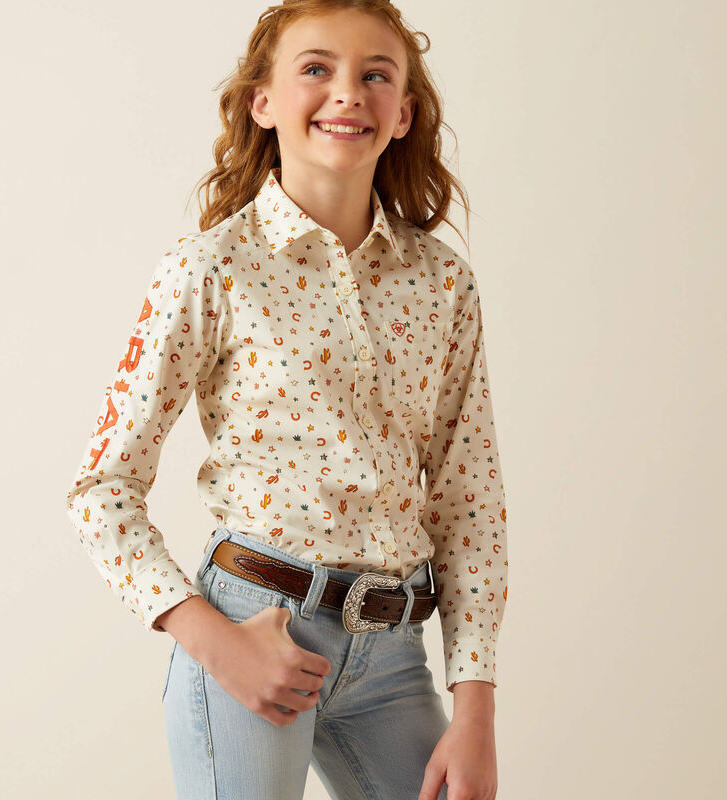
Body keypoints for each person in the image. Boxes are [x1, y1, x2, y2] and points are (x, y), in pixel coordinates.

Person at [64, 1, 508, 798]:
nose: (348, 92)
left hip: (394, 652)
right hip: (253, 627)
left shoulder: (442, 282)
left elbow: (468, 501)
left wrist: (475, 704)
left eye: (376, 75)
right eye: (316, 69)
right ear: (262, 101)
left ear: (404, 113)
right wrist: (213, 642)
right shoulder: (211, 267)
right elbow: (101, 489)